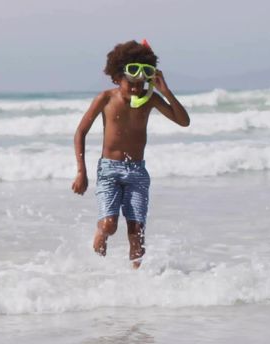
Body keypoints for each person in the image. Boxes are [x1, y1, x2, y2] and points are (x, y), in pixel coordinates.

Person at [71, 40, 190, 267]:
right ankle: (96, 266)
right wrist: (81, 172)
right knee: (109, 225)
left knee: (137, 235)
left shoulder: (151, 99)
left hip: (137, 172)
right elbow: (80, 133)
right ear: (117, 77)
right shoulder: (106, 99)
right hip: (109, 170)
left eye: (141, 83)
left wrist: (165, 91)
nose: (136, 89)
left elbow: (184, 121)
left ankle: (137, 284)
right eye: (130, 83)